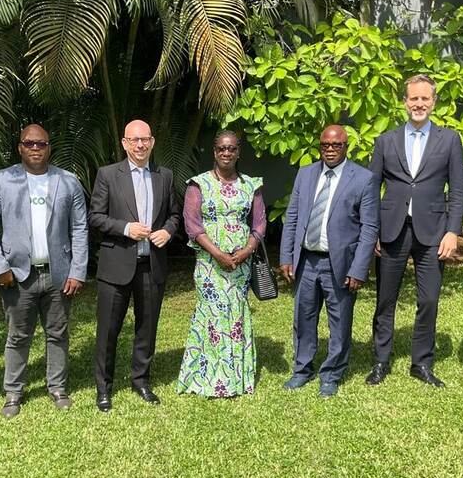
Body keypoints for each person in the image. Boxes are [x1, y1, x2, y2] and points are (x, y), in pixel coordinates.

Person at [0, 124, 88, 417]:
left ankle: (58, 387)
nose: (35, 149)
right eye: (29, 144)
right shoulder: (1, 181)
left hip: (58, 274)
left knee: (58, 333)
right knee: (17, 336)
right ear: (20, 147)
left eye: (41, 144)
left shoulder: (68, 181)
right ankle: (13, 392)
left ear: (49, 147)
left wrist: (77, 271)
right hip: (17, 275)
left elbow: (79, 228)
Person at [366, 74, 463, 388]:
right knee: (385, 299)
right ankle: (381, 361)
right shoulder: (386, 140)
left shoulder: (449, 140)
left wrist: (452, 232)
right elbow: (372, 188)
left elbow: (459, 190)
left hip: (434, 232)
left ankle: (421, 362)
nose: (419, 104)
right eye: (414, 99)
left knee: (430, 300)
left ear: (433, 102)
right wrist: (372, 232)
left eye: (425, 99)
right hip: (392, 230)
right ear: (404, 102)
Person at [279, 125, 379, 397]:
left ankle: (331, 374)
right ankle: (302, 369)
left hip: (341, 264)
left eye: (337, 145)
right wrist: (287, 256)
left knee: (340, 321)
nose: (330, 150)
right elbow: (293, 218)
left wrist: (359, 268)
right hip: (307, 262)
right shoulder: (306, 174)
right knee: (303, 318)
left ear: (347, 147)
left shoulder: (363, 179)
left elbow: (370, 228)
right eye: (325, 145)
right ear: (319, 146)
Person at [89, 119, 181, 412]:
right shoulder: (107, 175)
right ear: (124, 143)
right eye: (134, 140)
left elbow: (174, 214)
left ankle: (141, 380)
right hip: (116, 264)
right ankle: (103, 388)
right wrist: (126, 228)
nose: (140, 145)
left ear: (153, 142)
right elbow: (95, 217)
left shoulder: (164, 176)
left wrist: (168, 230)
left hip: (151, 265)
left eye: (145, 139)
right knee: (108, 330)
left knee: (147, 327)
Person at [176, 130, 266, 397]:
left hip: (241, 264)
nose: (226, 153)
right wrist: (218, 254)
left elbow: (259, 223)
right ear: (214, 151)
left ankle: (236, 377)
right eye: (221, 149)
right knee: (212, 315)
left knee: (236, 314)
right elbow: (192, 225)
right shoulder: (198, 184)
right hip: (209, 264)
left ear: (239, 152)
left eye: (232, 149)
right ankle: (204, 377)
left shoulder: (252, 185)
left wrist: (246, 251)